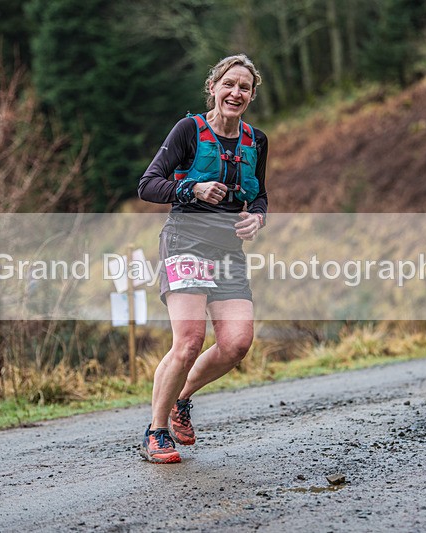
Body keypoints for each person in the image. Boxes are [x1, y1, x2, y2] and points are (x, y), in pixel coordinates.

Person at [137, 54, 268, 463]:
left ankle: (181, 398)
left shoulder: (256, 140)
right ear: (213, 87)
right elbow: (148, 185)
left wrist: (258, 219)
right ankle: (156, 432)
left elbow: (259, 194)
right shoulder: (188, 130)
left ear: (251, 95)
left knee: (236, 344)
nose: (236, 92)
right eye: (229, 84)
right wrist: (191, 190)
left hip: (228, 249)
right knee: (190, 341)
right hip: (185, 242)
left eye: (244, 87)